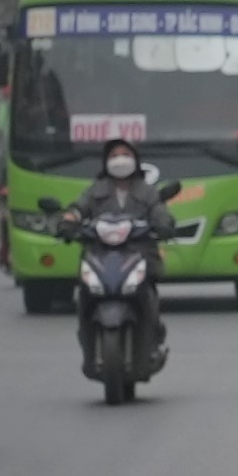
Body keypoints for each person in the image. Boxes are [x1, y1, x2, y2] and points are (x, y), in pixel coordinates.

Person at [60, 137, 175, 366]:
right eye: (114, 156)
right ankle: (87, 340)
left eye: (125, 155)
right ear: (105, 162)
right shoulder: (95, 191)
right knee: (85, 295)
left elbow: (159, 211)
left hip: (139, 255)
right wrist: (69, 220)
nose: (119, 160)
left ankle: (152, 339)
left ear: (135, 160)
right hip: (100, 256)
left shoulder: (147, 191)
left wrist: (164, 224)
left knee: (148, 295)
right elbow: (78, 208)